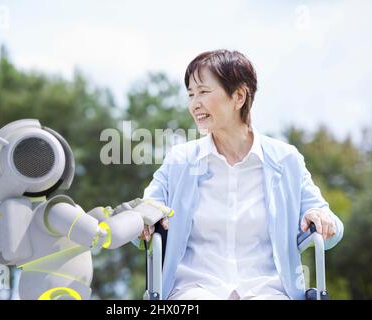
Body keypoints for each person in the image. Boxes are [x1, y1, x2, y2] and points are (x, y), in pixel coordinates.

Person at [134, 49, 344, 300]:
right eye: (190, 94)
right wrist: (144, 218)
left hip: (268, 290)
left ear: (239, 96)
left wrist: (321, 218)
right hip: (194, 290)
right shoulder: (180, 161)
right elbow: (145, 210)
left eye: (203, 92)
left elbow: (332, 228)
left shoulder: (286, 160)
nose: (194, 104)